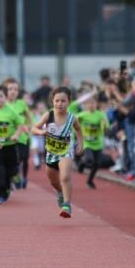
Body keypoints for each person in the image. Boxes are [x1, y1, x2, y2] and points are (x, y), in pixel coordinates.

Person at [32, 87, 84, 218]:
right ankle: (60, 192)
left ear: (69, 102)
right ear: (52, 101)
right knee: (53, 182)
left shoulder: (72, 118)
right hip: (51, 154)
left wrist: (81, 143)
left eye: (63, 101)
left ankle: (66, 205)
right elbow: (34, 128)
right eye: (57, 101)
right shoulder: (48, 115)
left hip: (66, 152)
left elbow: (78, 129)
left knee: (65, 177)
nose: (60, 104)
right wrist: (41, 132)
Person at [75, 92, 109, 189]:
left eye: (93, 103)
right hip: (87, 142)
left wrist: (104, 125)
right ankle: (82, 164)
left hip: (97, 142)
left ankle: (90, 181)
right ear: (85, 105)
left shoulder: (101, 115)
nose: (91, 105)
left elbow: (105, 127)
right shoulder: (82, 115)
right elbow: (73, 122)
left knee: (97, 163)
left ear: (96, 104)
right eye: (88, 103)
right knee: (89, 159)